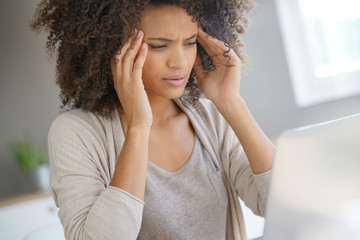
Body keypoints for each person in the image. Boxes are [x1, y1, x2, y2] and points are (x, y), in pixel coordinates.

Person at [31, 0, 274, 239]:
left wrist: (231, 102)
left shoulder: (210, 119)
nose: (179, 62)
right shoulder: (76, 133)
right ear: (114, 47)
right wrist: (138, 127)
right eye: (159, 46)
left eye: (189, 43)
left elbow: (278, 203)